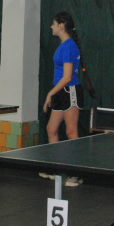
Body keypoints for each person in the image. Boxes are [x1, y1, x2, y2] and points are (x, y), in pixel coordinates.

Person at [41, 11, 85, 187]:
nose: (51, 26)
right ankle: (57, 169)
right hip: (61, 92)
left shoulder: (68, 46)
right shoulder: (63, 45)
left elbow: (67, 77)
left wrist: (50, 93)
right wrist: (54, 93)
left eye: (53, 23)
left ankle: (76, 174)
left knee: (71, 132)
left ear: (61, 25)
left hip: (70, 91)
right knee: (51, 129)